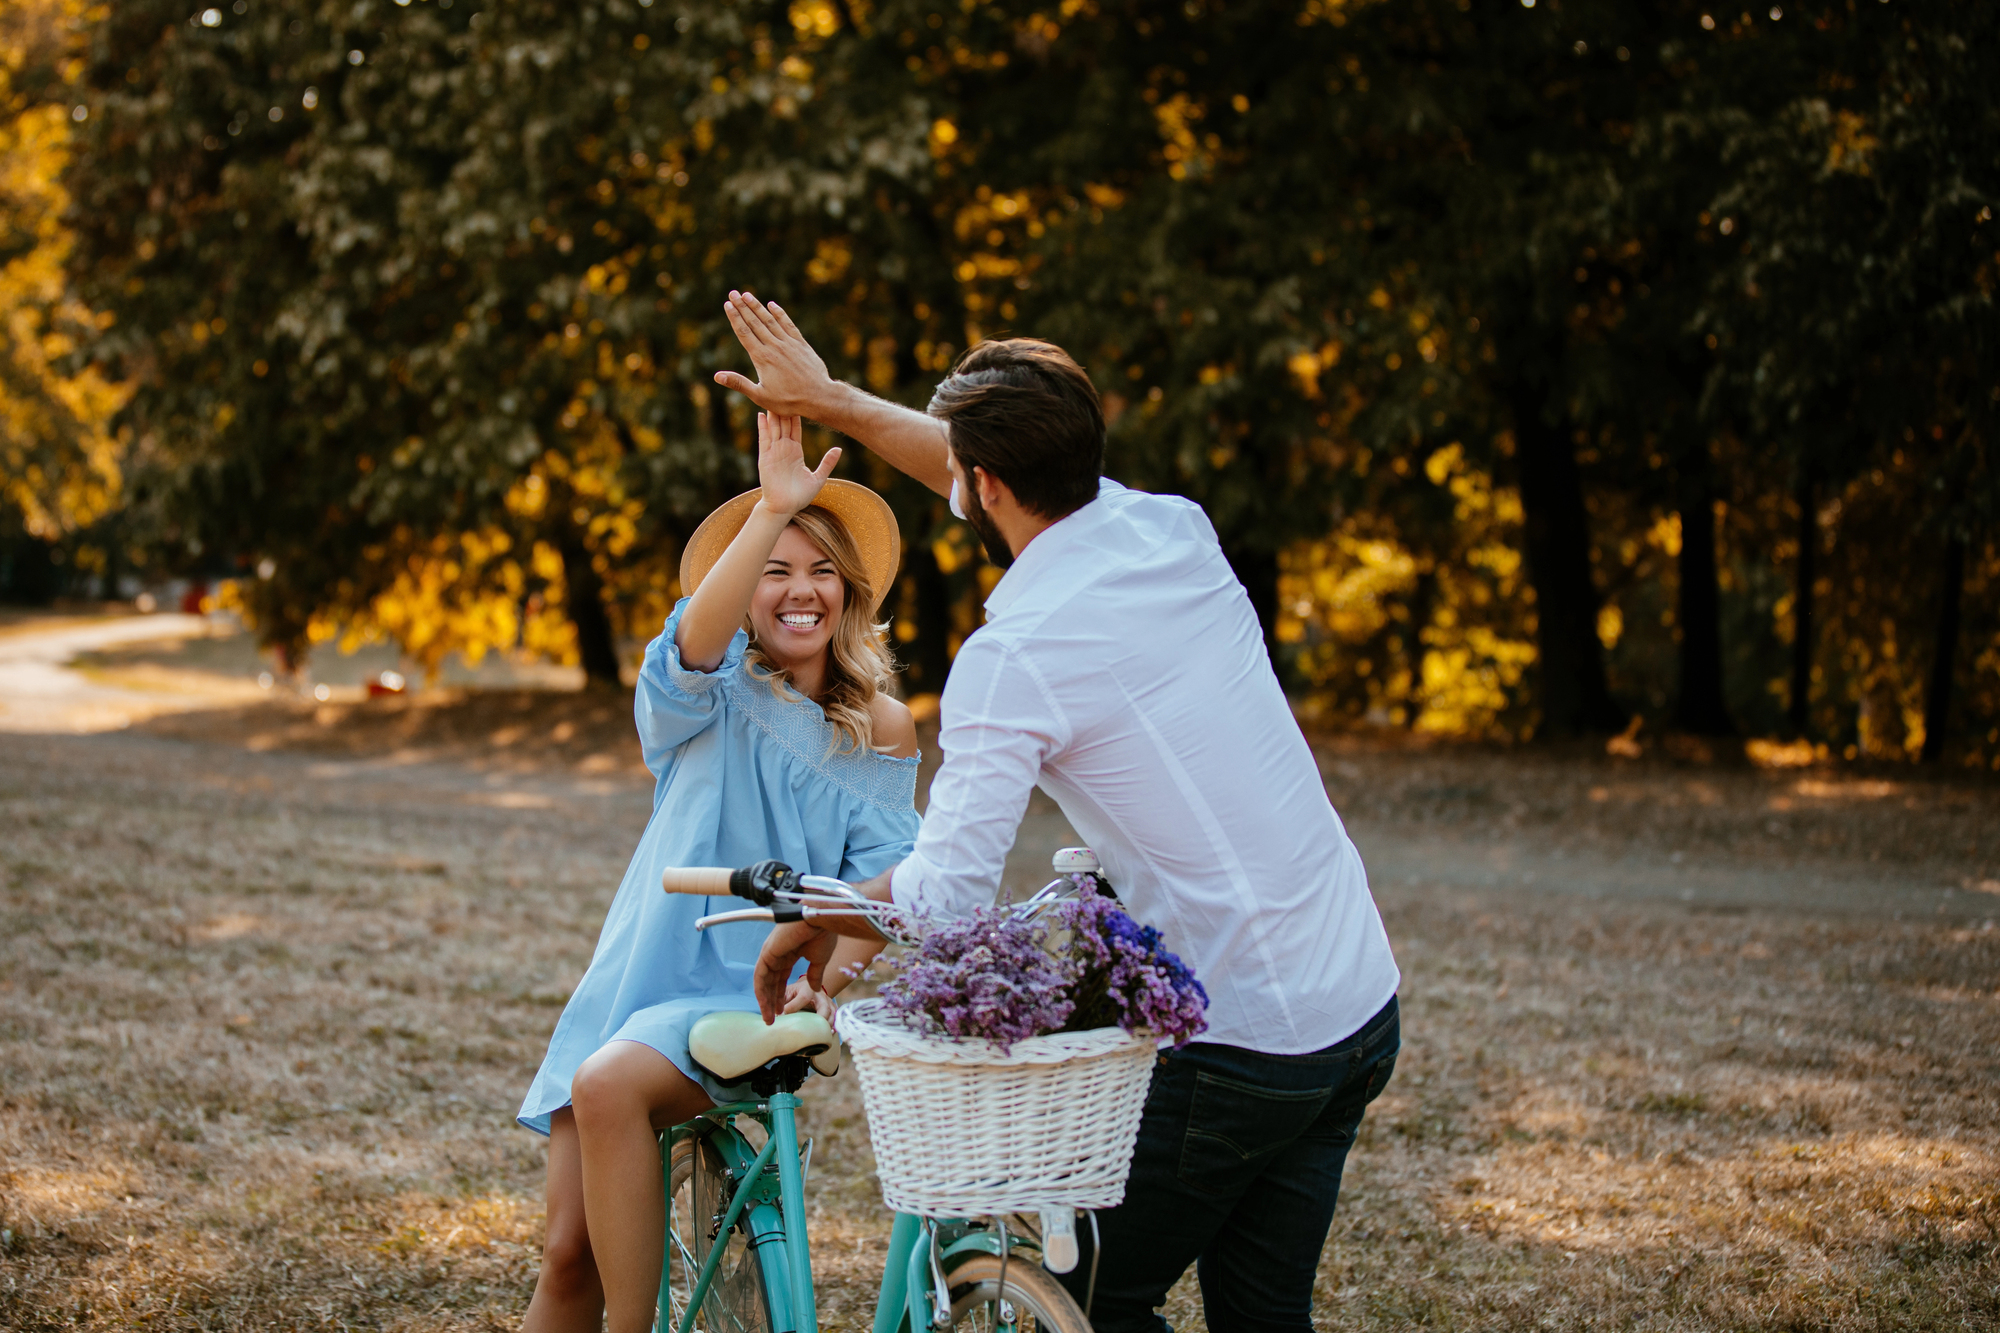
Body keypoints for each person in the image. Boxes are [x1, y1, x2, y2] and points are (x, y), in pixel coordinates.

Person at [716, 291, 1402, 1333]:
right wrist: (836, 402)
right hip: (1355, 998)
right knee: (1265, 1314)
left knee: (1085, 1306)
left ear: (983, 482)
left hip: (1247, 1039)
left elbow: (943, 895)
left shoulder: (1016, 655)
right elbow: (979, 462)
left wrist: (825, 908)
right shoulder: (1166, 526)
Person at [514, 411, 921, 1333]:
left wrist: (831, 981)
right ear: (743, 591)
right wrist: (771, 508)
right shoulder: (707, 692)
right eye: (774, 570)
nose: (799, 590)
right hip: (633, 979)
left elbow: (882, 886)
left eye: (820, 569)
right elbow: (691, 640)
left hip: (746, 992)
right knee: (567, 1251)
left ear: (849, 592)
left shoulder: (881, 728)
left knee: (613, 1087)